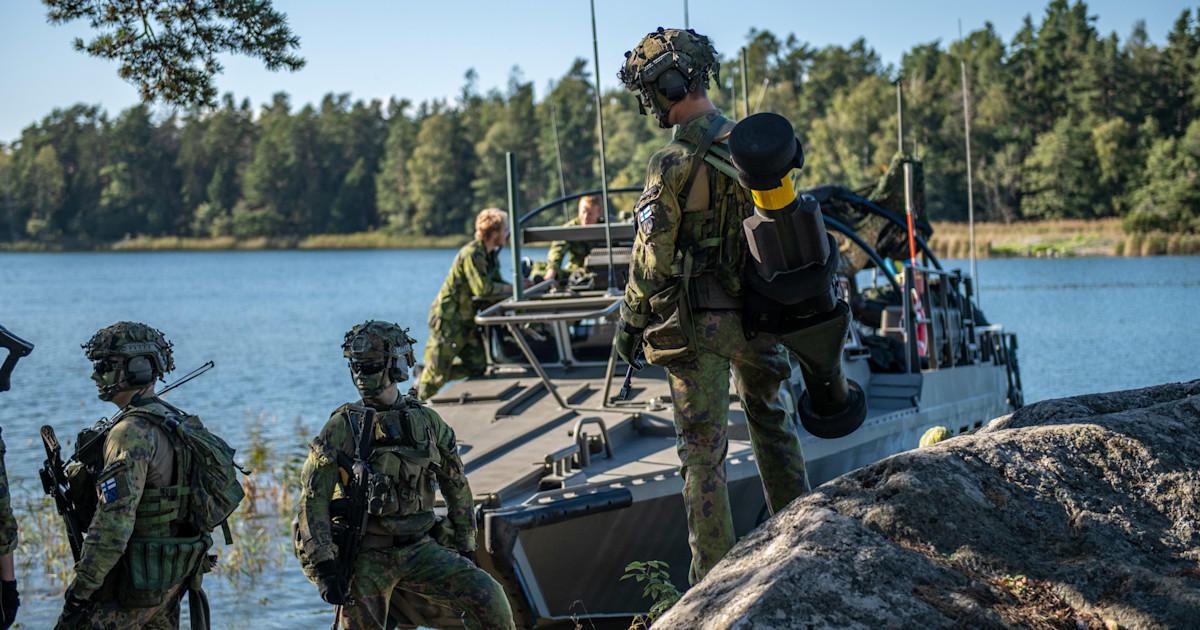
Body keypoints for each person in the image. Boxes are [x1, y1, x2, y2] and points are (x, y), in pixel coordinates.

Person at [613, 28, 809, 585]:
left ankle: (715, 585)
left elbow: (652, 265)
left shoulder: (670, 164)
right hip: (764, 318)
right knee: (773, 423)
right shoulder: (759, 149)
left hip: (699, 328)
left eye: (648, 91)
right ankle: (805, 543)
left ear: (667, 85)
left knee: (703, 455)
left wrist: (629, 324)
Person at [295, 321, 514, 630]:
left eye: (371, 365)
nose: (362, 374)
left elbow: (456, 484)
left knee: (489, 596)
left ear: (397, 366)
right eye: (357, 366)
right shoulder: (342, 427)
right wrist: (326, 565)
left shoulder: (427, 421)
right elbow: (312, 501)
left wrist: (466, 546)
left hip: (420, 548)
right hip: (367, 556)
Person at [56, 321, 227, 629]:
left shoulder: (130, 433)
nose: (95, 374)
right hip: (167, 579)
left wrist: (79, 594)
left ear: (139, 368)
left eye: (104, 365)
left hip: (131, 589)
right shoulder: (174, 419)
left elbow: (112, 527)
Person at [416, 208, 516, 401]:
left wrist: (519, 287)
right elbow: (483, 289)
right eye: (505, 230)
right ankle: (412, 410)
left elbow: (498, 284)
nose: (507, 235)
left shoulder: (489, 256)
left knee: (478, 365)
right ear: (494, 233)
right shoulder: (472, 253)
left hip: (466, 321)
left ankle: (433, 373)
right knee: (435, 377)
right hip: (448, 320)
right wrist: (513, 288)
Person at [543, 194, 604, 281]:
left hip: (603, 272)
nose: (585, 217)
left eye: (590, 214)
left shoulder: (609, 227)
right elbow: (558, 248)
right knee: (539, 267)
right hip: (575, 273)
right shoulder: (571, 228)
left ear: (599, 213)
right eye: (583, 212)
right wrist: (552, 269)